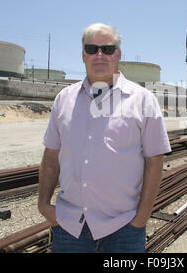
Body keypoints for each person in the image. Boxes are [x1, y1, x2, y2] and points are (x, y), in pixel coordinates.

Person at [38, 23, 171, 253]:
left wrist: (141, 218)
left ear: (118, 55)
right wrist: (43, 205)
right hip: (70, 227)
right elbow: (51, 157)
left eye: (107, 49)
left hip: (123, 229)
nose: (99, 55)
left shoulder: (143, 100)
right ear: (83, 55)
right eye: (92, 49)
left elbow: (154, 160)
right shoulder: (64, 99)